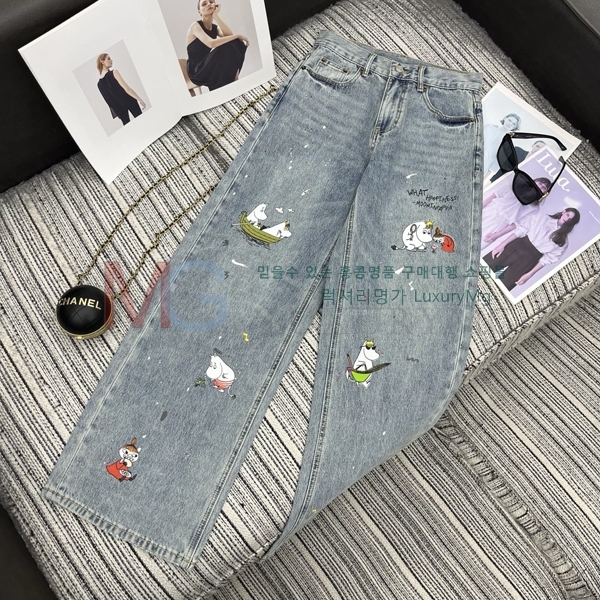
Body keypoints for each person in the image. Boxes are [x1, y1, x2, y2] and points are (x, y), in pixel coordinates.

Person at [483, 207, 580, 291]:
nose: (567, 219)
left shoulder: (563, 241)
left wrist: (530, 274)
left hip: (529, 261)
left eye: (570, 219)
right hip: (516, 246)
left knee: (504, 285)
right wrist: (502, 244)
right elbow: (521, 230)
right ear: (563, 211)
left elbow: (547, 259)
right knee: (486, 267)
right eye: (567, 215)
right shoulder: (542, 218)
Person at [185, 0, 249, 93]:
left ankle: (233, 79)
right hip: (196, 71)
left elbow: (229, 35)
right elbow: (211, 43)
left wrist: (216, 16)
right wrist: (238, 35)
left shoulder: (214, 28)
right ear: (199, 11)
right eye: (204, 4)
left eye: (211, 2)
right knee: (229, 43)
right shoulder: (195, 26)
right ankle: (231, 82)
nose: (209, 4)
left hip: (208, 65)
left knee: (235, 42)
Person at [480, 175, 551, 251]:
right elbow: (492, 197)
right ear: (535, 181)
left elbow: (516, 224)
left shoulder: (534, 208)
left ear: (544, 194)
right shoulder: (513, 185)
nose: (541, 187)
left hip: (498, 226)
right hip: (488, 212)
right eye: (540, 183)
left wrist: (497, 235)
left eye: (544, 188)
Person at [97, 54, 146, 126]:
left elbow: (109, 101)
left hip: (119, 108)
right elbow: (127, 89)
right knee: (142, 122)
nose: (111, 60)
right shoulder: (114, 72)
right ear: (102, 61)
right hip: (130, 101)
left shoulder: (99, 84)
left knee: (128, 127)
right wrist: (139, 99)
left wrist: (117, 113)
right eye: (109, 59)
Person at [483, 112, 521, 179]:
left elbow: (496, 163)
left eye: (513, 124)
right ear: (505, 118)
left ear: (515, 127)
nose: (510, 124)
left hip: (483, 164)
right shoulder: (489, 127)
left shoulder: (507, 143)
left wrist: (484, 178)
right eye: (509, 120)